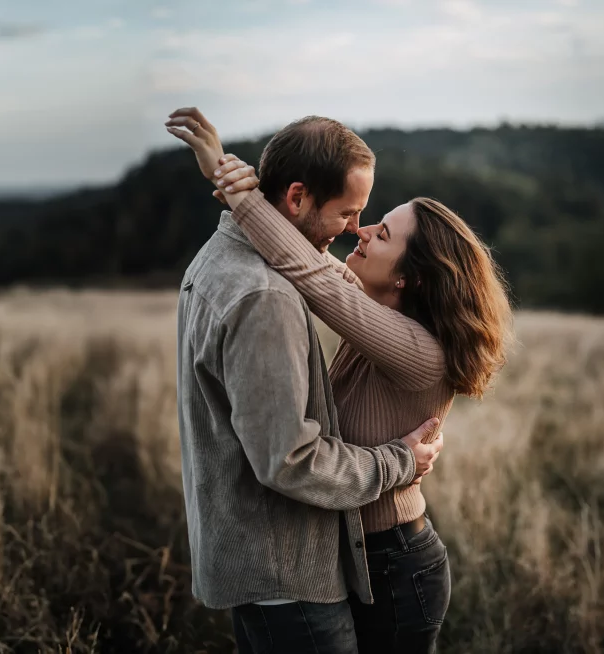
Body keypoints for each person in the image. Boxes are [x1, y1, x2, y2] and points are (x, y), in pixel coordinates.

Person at [168, 108, 514, 654]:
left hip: (396, 561)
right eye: (358, 215)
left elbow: (312, 274)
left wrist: (238, 192)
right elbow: (313, 265)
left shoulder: (416, 351)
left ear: (408, 278)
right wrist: (243, 190)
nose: (360, 228)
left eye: (380, 231)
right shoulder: (376, 318)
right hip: (359, 555)